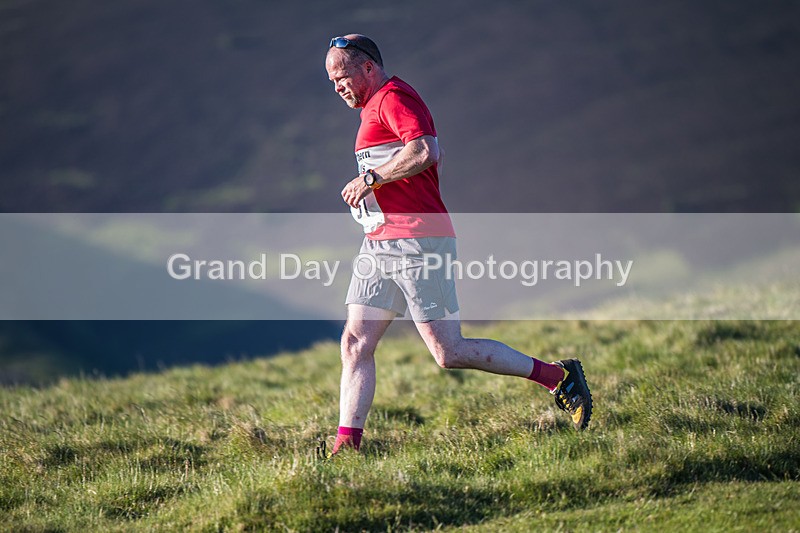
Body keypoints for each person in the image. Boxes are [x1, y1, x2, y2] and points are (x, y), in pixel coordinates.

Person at [324, 34, 592, 455]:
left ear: (368, 69)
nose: (337, 86)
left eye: (341, 77)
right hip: (379, 242)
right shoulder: (372, 109)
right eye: (331, 81)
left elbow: (426, 149)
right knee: (355, 342)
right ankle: (347, 448)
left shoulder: (394, 96)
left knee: (448, 352)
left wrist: (372, 179)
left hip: (417, 242)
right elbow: (435, 153)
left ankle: (559, 378)